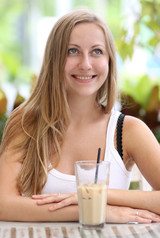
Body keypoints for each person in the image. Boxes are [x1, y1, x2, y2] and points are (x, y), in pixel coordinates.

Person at [0, 8, 160, 224]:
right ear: (54, 59)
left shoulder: (127, 131)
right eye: (72, 51)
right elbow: (4, 204)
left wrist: (100, 196)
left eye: (96, 51)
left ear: (109, 61)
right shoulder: (26, 124)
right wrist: (92, 209)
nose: (85, 64)